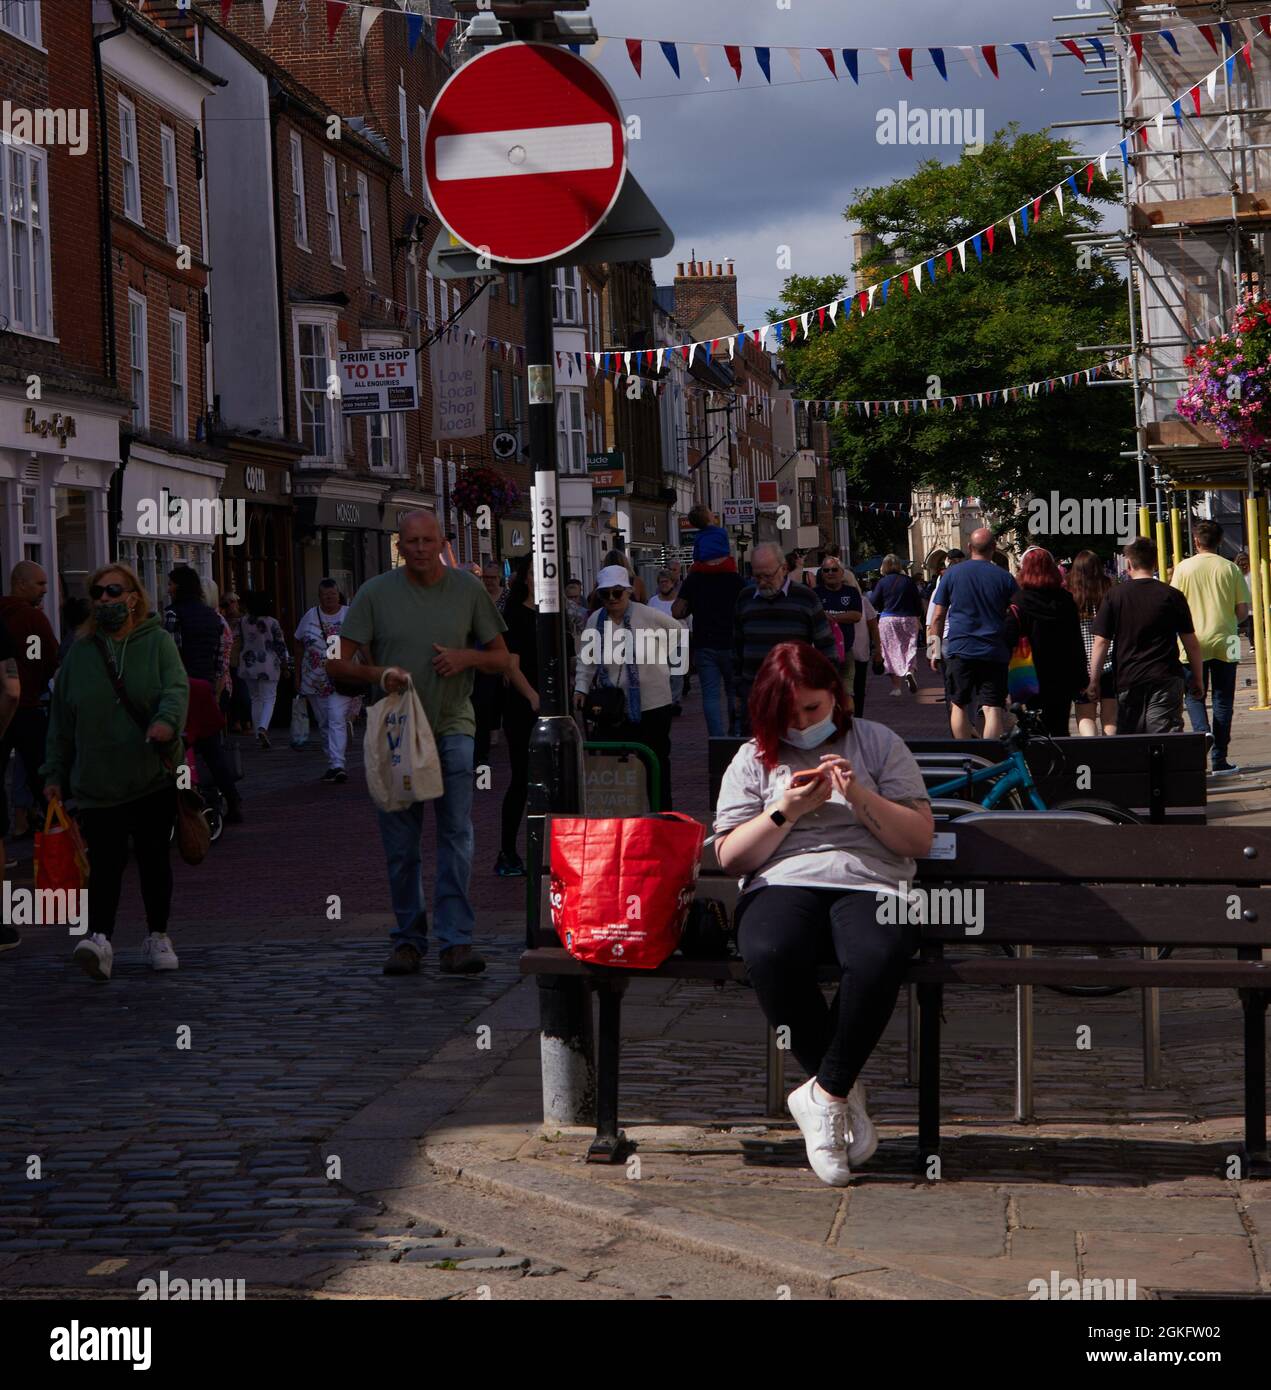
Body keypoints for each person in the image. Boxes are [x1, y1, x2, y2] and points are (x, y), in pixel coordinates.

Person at [714, 641, 934, 1186]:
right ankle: (838, 1098)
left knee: (878, 954)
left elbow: (919, 840)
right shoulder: (753, 758)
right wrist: (784, 810)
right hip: (782, 880)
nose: (804, 725)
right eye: (789, 717)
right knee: (768, 950)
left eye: (813, 710)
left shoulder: (878, 743)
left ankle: (825, 1093)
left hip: (872, 880)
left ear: (836, 696)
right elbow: (730, 856)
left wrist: (858, 796)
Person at [327, 509, 512, 976]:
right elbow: (335, 663)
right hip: (396, 732)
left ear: (441, 541)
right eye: (412, 542)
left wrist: (464, 657)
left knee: (456, 834)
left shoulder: (467, 590)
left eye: (429, 541)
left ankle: (455, 940)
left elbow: (501, 657)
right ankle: (409, 939)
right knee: (401, 844)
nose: (421, 550)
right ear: (400, 546)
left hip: (453, 725)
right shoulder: (375, 593)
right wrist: (378, 673)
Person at [41, 563, 189, 981]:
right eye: (97, 593)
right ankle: (100, 939)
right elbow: (61, 721)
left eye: (113, 591)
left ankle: (158, 935)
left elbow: (176, 689)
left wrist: (166, 722)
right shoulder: (79, 653)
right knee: (104, 863)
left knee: (153, 859)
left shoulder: (157, 642)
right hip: (98, 781)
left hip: (150, 775)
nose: (104, 599)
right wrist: (53, 772)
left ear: (133, 597)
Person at [574, 564, 683, 809]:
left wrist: (657, 654)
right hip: (613, 706)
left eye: (617, 592)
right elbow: (587, 657)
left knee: (656, 763)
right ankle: (624, 818)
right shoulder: (595, 620)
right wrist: (580, 688)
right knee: (616, 765)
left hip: (653, 704)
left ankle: (661, 816)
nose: (612, 599)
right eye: (605, 594)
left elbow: (678, 630)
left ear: (628, 591)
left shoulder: (647, 614)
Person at [1089, 537, 1204, 734]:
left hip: (1128, 677)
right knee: (1164, 738)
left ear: (1129, 564)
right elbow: (1191, 643)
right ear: (1156, 562)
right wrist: (1198, 678)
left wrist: (1094, 679)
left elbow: (1101, 642)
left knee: (1131, 742)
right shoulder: (1171, 595)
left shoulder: (1115, 595)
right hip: (1165, 676)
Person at [1171, 521, 1250, 775]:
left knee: (1194, 695)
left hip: (1190, 640)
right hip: (1227, 639)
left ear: (1196, 541)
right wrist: (1227, 623)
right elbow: (1242, 611)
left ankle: (1202, 737)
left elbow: (1174, 606)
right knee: (1224, 698)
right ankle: (1220, 759)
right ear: (1220, 541)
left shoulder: (1183, 568)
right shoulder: (1231, 569)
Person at [164, 567, 242, 824]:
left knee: (181, 750)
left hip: (182, 687)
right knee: (212, 750)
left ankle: (187, 801)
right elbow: (221, 661)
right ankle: (232, 799)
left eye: (171, 584)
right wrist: (216, 690)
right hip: (206, 689)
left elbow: (171, 657)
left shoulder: (174, 615)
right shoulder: (213, 617)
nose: (168, 589)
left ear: (179, 586)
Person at [733, 543, 837, 736]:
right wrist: (738, 686)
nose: (762, 582)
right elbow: (737, 645)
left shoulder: (805, 597)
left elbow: (826, 646)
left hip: (794, 692)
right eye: (757, 576)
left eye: (768, 575)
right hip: (755, 691)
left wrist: (826, 688)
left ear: (784, 569)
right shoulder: (745, 598)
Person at [928, 528, 1019, 739]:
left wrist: (934, 650)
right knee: (992, 706)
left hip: (960, 649)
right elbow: (1016, 612)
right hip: (994, 650)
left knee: (959, 703)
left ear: (969, 548)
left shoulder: (951, 574)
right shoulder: (1004, 577)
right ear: (994, 549)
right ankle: (990, 758)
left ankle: (965, 754)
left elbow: (938, 616)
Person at [0, 561, 59, 843]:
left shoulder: (5, 614)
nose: (45, 590)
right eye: (40, 584)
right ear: (20, 584)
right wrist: (35, 681)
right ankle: (59, 838)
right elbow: (47, 658)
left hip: (3, 707)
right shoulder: (33, 619)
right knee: (42, 774)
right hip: (26, 706)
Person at [1002, 548, 1088, 736]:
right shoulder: (1066, 601)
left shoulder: (1019, 602)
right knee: (1060, 727)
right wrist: (1082, 677)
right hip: (1063, 676)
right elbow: (1076, 641)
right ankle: (1061, 762)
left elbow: (1008, 639)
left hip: (1030, 676)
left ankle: (1039, 763)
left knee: (1034, 727)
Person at [495, 556, 543, 877]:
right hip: (523, 707)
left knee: (552, 781)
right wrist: (532, 697)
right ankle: (508, 852)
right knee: (523, 780)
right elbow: (510, 665)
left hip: (553, 707)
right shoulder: (514, 614)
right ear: (525, 578)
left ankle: (549, 851)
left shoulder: (553, 614)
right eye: (534, 573)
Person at [674, 536, 745, 738]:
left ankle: (716, 739)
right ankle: (736, 735)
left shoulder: (694, 580)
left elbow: (677, 611)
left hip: (705, 644)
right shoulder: (737, 581)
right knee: (733, 692)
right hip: (731, 643)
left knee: (711, 695)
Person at [295, 578, 357, 784]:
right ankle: (332, 762)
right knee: (324, 722)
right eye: (325, 595)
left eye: (332, 594)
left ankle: (338, 764)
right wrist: (297, 674)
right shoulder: (310, 616)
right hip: (315, 677)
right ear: (319, 596)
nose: (329, 598)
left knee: (335, 716)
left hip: (341, 677)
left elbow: (363, 640)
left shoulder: (349, 614)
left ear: (338, 594)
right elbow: (298, 642)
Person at [1067, 550, 1117, 737]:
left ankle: (1093, 752)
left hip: (1081, 666)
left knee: (1086, 716)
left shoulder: (1070, 595)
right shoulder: (1110, 591)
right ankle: (1111, 753)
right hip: (1110, 662)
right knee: (1111, 717)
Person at [867, 555, 925, 697]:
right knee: (909, 648)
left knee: (891, 651)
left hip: (888, 618)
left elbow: (872, 602)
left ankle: (896, 687)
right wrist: (918, 616)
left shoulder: (882, 582)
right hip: (908, 618)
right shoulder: (908, 581)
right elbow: (918, 603)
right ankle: (909, 671)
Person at [238, 591, 290, 749]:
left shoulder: (243, 621)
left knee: (255, 698)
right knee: (269, 698)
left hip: (248, 662)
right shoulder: (272, 622)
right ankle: (263, 727)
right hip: (268, 663)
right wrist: (285, 664)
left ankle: (257, 733)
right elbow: (280, 645)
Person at [814, 555, 862, 689]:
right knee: (825, 691)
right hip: (822, 653)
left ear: (841, 572)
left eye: (834, 569)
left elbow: (856, 615)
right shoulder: (815, 594)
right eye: (826, 570)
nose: (830, 573)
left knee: (847, 693)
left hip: (845, 651)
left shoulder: (851, 592)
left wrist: (832, 617)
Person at [841, 568, 883, 718]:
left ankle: (857, 721)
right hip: (840, 653)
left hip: (859, 654)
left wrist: (878, 651)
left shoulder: (862, 601)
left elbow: (874, 628)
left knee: (858, 691)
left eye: (845, 582)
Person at [648, 568, 685, 713]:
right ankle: (664, 701)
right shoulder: (653, 601)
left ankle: (674, 701)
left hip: (678, 642)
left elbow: (688, 620)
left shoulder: (679, 601)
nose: (664, 585)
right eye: (661, 582)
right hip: (658, 644)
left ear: (673, 583)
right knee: (662, 675)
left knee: (676, 675)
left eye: (666, 582)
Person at [220, 590, 251, 734]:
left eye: (232, 601)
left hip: (241, 660)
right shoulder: (222, 620)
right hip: (227, 661)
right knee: (231, 693)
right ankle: (236, 721)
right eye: (227, 603)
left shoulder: (244, 620)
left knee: (243, 692)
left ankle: (247, 721)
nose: (230, 605)